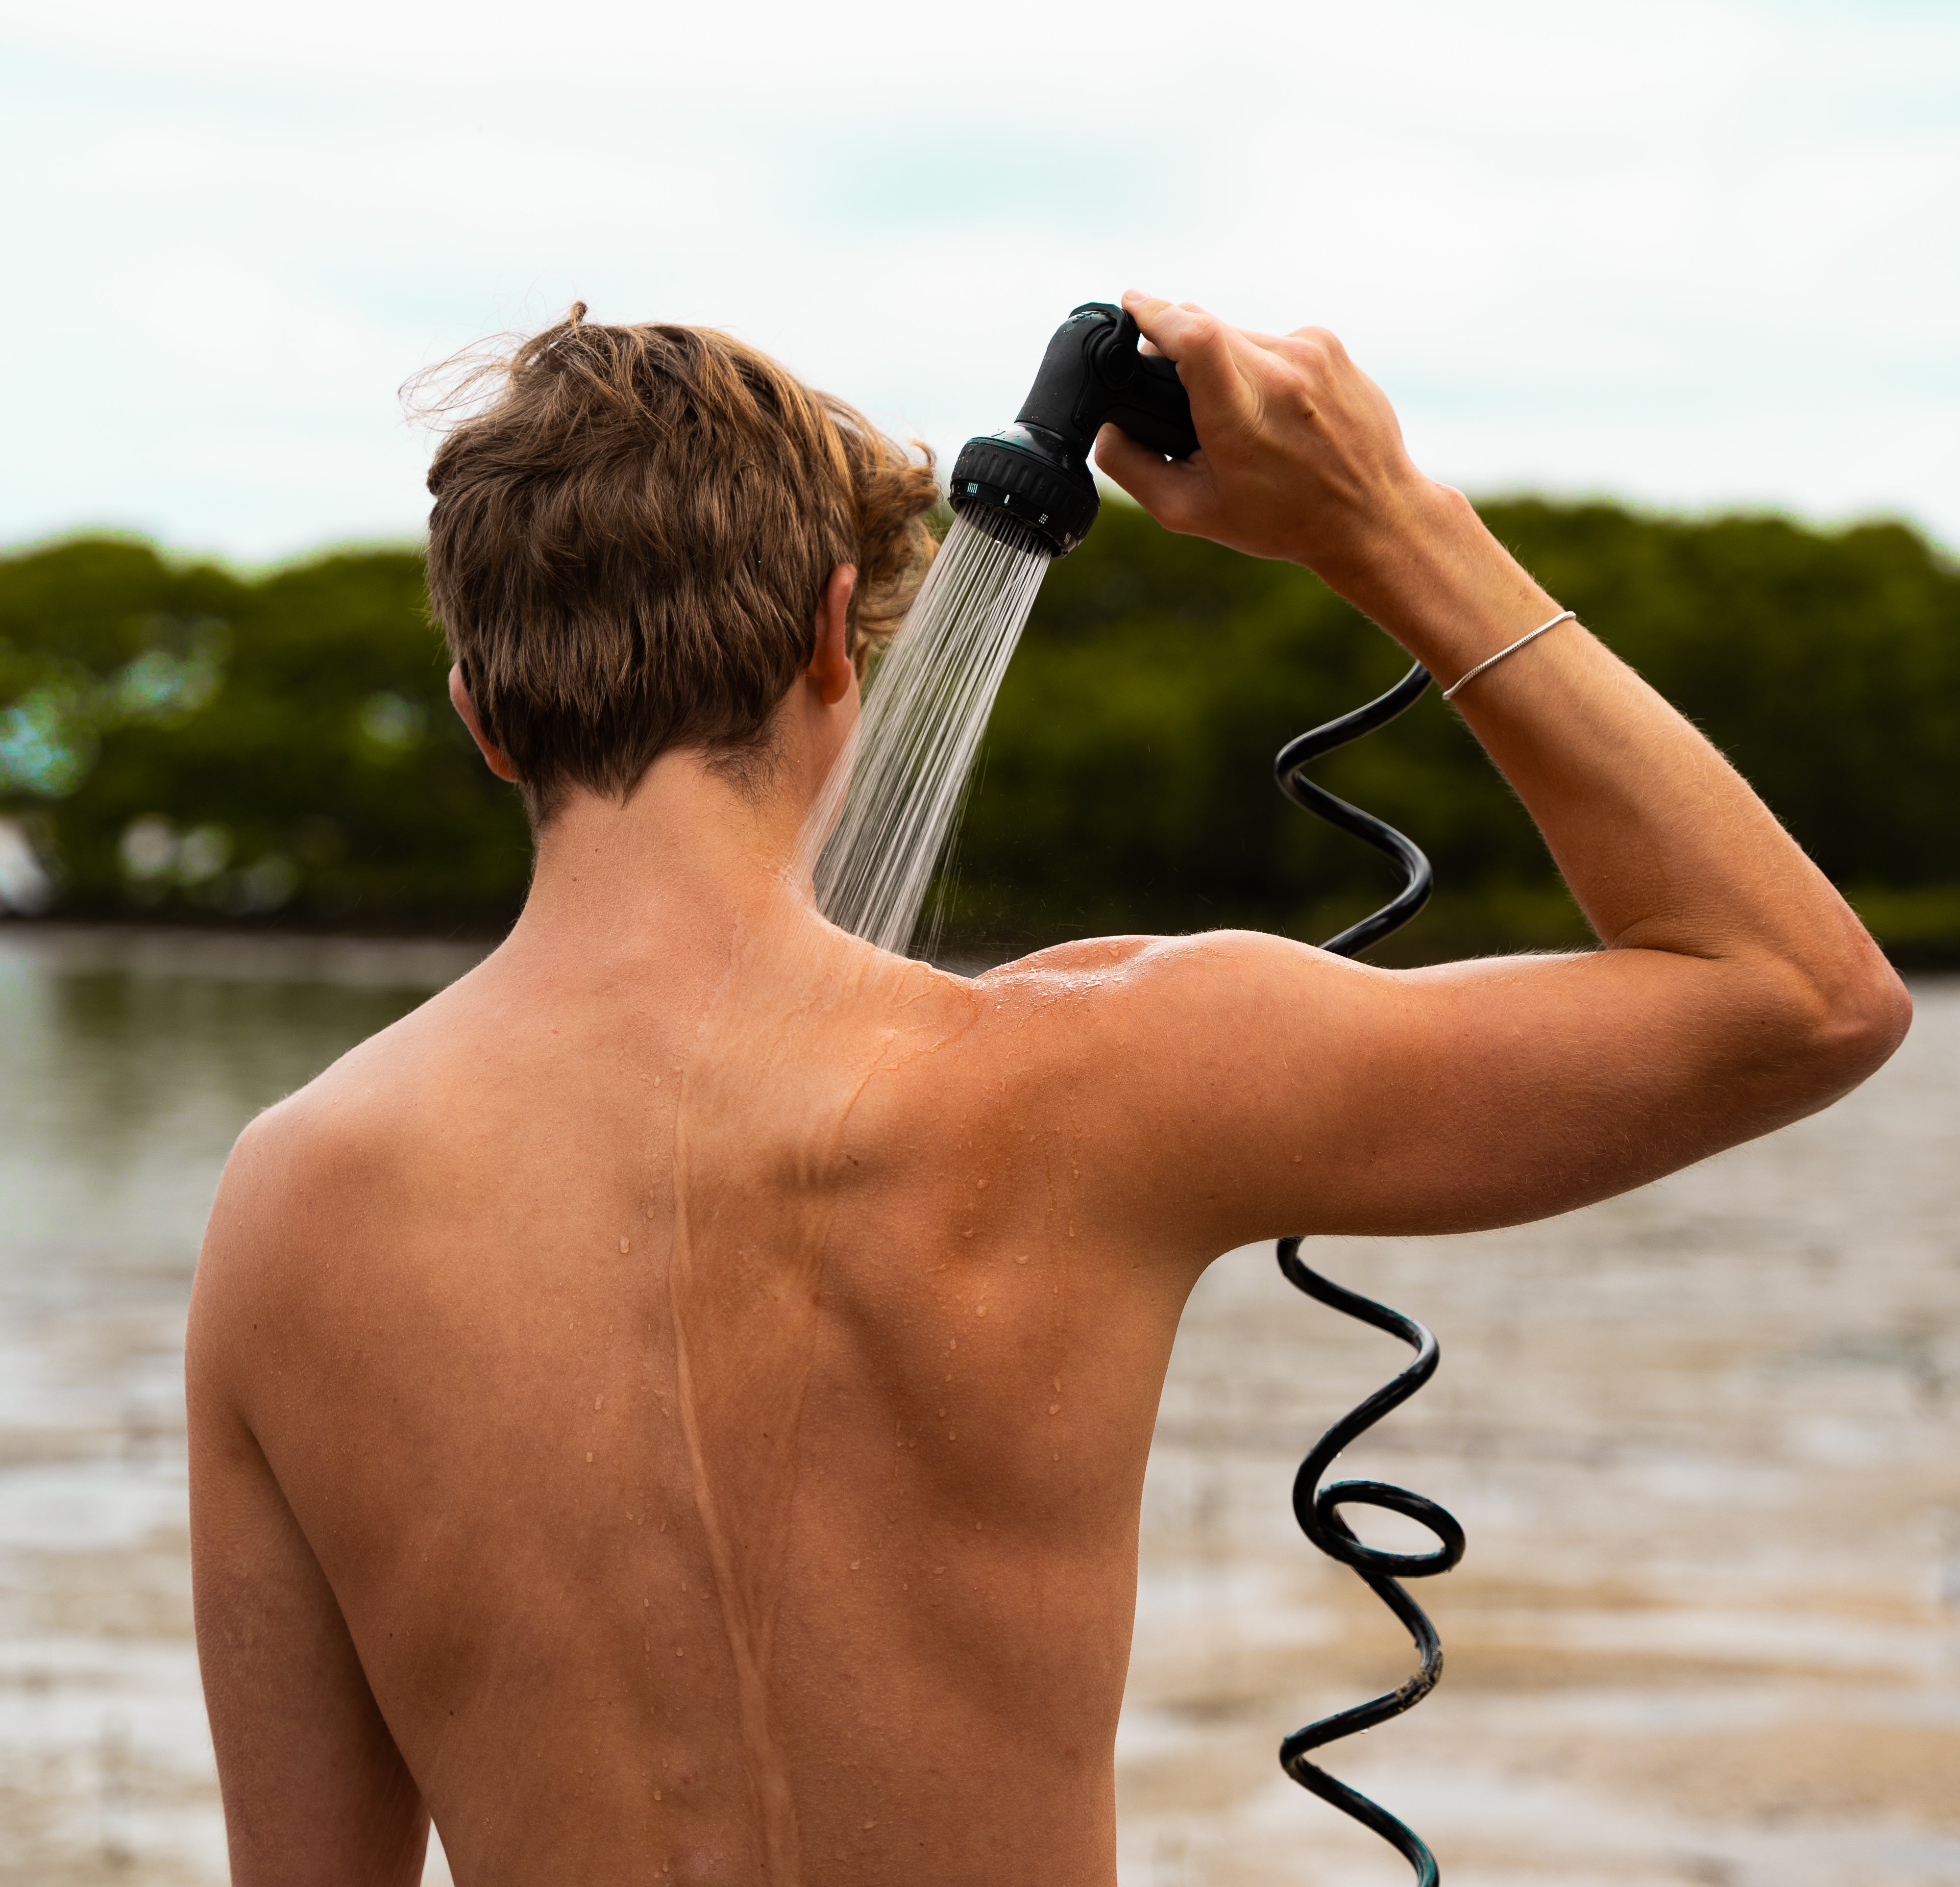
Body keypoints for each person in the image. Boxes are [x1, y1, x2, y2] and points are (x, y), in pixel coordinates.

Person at [186, 293, 1910, 1887]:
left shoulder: (291, 1207)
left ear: (484, 718)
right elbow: (1800, 999)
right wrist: (1388, 524)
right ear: (833, 643)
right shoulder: (1101, 1076)